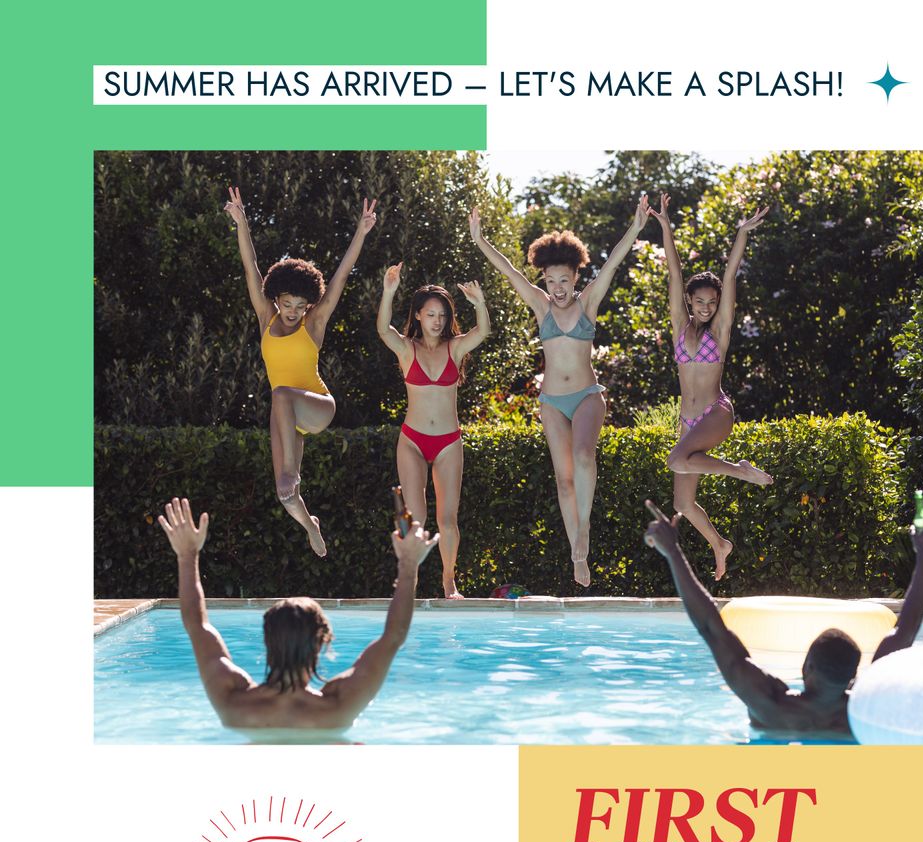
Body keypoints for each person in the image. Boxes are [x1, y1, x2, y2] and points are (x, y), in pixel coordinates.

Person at [643, 499, 923, 736]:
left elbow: (711, 627)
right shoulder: (865, 708)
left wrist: (673, 552)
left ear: (807, 667)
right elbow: (905, 632)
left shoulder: (769, 705)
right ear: (854, 675)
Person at [470, 197, 652, 588]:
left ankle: (583, 529)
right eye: (551, 282)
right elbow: (508, 271)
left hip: (586, 395)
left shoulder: (588, 303)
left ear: (575, 277)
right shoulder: (541, 306)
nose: (557, 289)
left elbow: (613, 263)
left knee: (584, 456)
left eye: (564, 281)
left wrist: (636, 227)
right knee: (563, 480)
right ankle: (577, 555)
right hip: (551, 402)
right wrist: (480, 239)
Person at [157, 497, 437, 739]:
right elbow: (393, 637)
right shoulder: (338, 706)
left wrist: (187, 555)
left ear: (268, 642)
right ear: (321, 642)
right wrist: (408, 564)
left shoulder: (233, 702)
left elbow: (197, 627)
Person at [223, 186, 377, 557]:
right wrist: (242, 223)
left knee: (279, 395)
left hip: (316, 405)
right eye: (287, 304)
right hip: (286, 416)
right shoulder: (266, 317)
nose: (293, 311)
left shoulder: (314, 323)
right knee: (285, 494)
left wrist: (361, 231)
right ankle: (311, 526)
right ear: (276, 299)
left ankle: (292, 470)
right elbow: (250, 267)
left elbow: (340, 277)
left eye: (300, 305)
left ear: (309, 303)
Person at [650, 194, 774, 580]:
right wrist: (665, 225)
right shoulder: (679, 326)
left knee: (675, 460)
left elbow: (731, 273)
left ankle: (739, 471)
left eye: (712, 302)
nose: (706, 307)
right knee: (683, 504)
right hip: (688, 421)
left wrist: (742, 233)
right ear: (689, 300)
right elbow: (673, 272)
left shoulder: (719, 331)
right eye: (700, 301)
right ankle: (720, 545)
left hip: (716, 412)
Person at [377, 264, 490, 599]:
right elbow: (383, 329)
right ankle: (409, 577)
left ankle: (449, 581)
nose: (437, 321)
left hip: (448, 442)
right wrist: (388, 292)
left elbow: (481, 332)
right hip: (413, 440)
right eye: (430, 315)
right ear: (418, 316)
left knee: (447, 519)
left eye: (442, 315)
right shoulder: (406, 349)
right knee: (416, 518)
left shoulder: (455, 348)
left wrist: (479, 304)